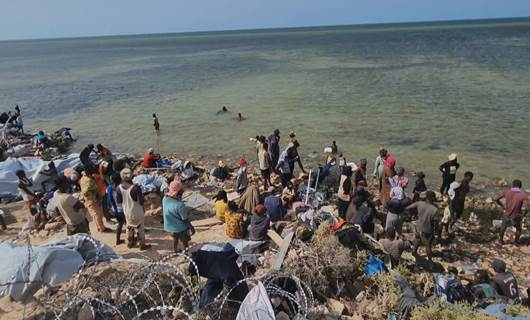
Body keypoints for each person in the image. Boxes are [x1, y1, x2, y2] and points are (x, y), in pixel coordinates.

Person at [116, 168, 150, 250]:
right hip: (137, 211)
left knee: (129, 227)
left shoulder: (119, 188)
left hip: (127, 211)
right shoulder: (135, 188)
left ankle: (129, 243)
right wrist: (145, 198)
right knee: (140, 229)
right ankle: (142, 245)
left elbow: (119, 201)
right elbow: (141, 202)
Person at [163, 179, 195, 252]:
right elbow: (185, 219)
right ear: (178, 192)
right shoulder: (180, 205)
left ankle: (175, 250)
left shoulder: (164, 199)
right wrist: (191, 227)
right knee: (185, 241)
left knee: (175, 238)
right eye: (181, 189)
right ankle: (186, 253)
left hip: (170, 226)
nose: (183, 190)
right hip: (180, 227)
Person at [407, 190, 439, 260]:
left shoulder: (419, 203)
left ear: (426, 197)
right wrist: (436, 234)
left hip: (418, 227)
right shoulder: (435, 210)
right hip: (427, 230)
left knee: (417, 239)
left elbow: (408, 208)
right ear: (433, 198)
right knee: (428, 245)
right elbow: (436, 224)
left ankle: (414, 251)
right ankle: (430, 259)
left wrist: (411, 215)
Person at [495, 180, 528, 245]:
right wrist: (524, 214)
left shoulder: (507, 192)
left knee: (503, 228)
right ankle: (516, 242)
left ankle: (501, 240)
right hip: (516, 216)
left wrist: (503, 206)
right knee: (518, 229)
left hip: (507, 214)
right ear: (520, 186)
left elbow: (496, 199)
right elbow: (528, 207)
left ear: (512, 185)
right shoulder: (523, 195)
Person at [79, 168, 110, 233]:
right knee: (98, 214)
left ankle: (99, 227)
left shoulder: (83, 178)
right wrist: (94, 194)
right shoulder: (88, 180)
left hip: (90, 200)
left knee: (95, 214)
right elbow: (85, 192)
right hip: (93, 200)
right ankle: (102, 228)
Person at [107, 173, 126, 245]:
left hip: (115, 209)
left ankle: (118, 240)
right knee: (128, 224)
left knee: (120, 224)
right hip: (123, 209)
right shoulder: (122, 187)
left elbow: (108, 200)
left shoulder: (109, 188)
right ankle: (131, 238)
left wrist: (110, 209)